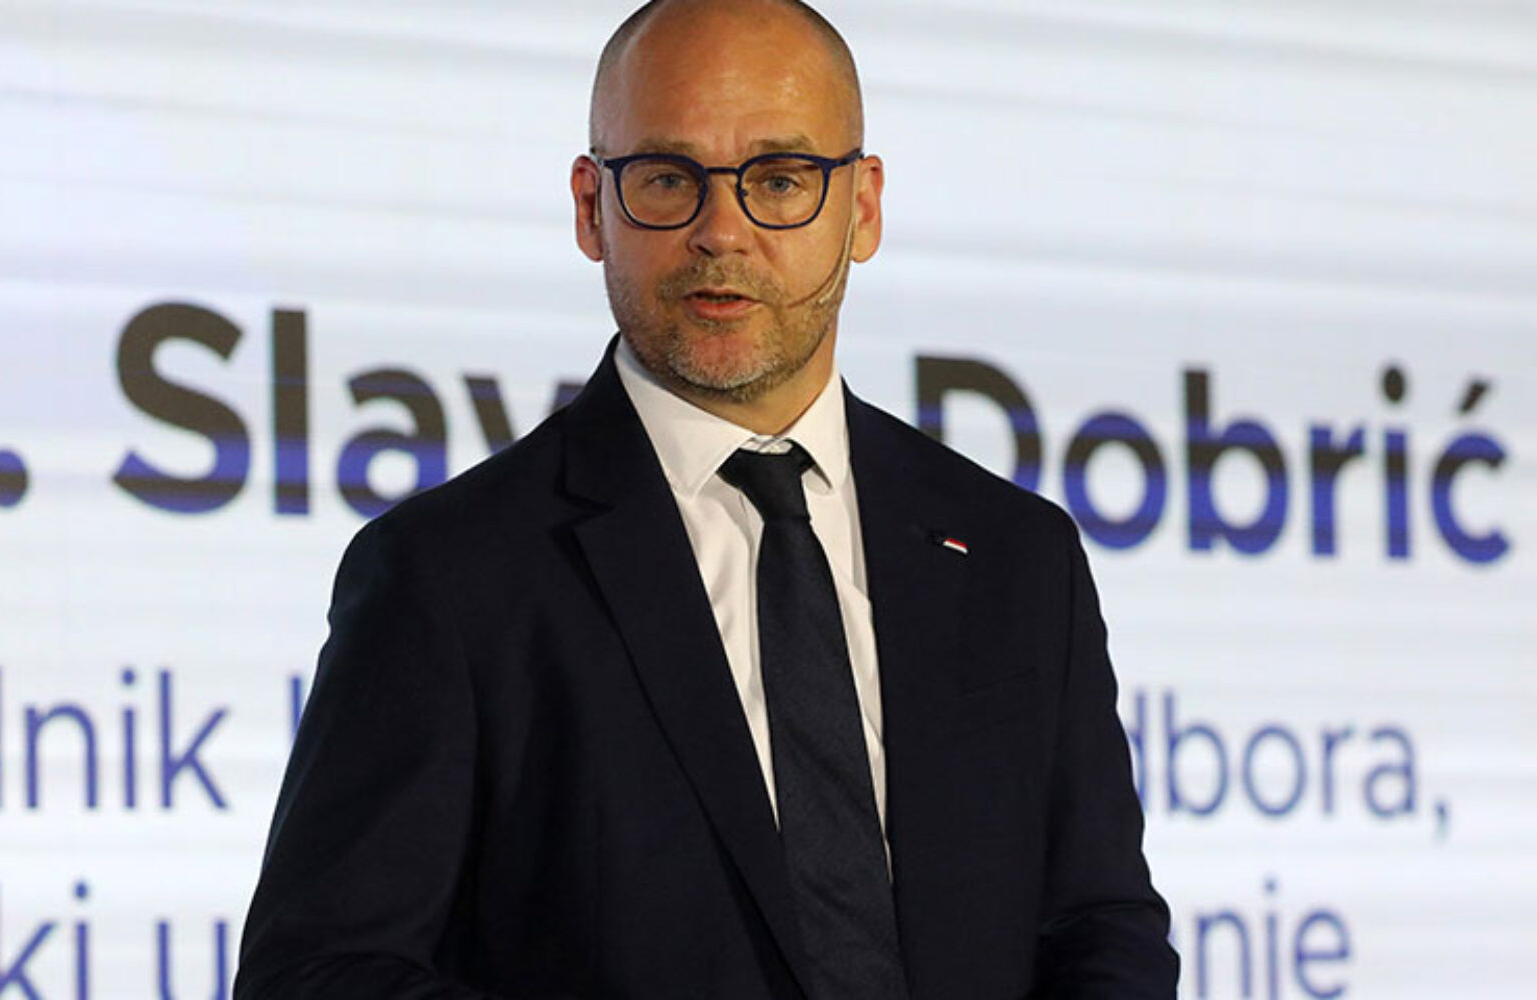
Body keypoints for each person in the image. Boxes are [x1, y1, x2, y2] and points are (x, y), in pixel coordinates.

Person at [235, 1, 1179, 997]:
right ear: (590, 208)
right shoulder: (450, 575)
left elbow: (1099, 924)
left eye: (780, 178)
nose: (721, 230)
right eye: (666, 178)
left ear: (862, 208)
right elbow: (322, 972)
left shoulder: (1017, 556)